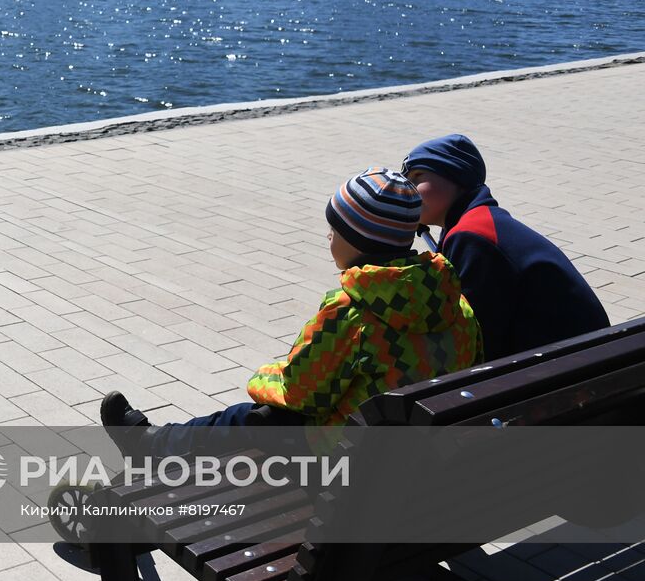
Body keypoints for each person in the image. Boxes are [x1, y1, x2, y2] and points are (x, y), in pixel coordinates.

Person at [103, 168, 482, 456]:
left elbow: (299, 393)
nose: (328, 238)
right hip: (423, 459)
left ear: (357, 239)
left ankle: (150, 446)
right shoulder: (456, 304)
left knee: (250, 418)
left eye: (334, 230)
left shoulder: (353, 314)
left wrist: (263, 375)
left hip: (350, 469)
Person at [401, 134, 609, 361]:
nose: (408, 190)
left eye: (417, 177)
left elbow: (476, 334)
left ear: (457, 175)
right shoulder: (481, 221)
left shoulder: (472, 235)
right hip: (583, 359)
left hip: (565, 369)